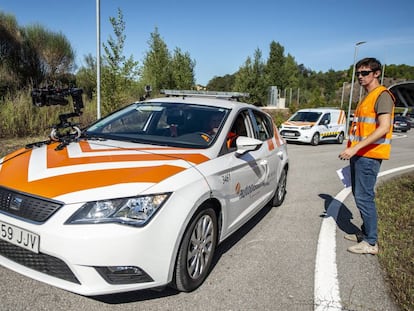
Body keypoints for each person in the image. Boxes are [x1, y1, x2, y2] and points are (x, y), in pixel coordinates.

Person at [338, 57, 395, 255]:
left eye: (365, 73)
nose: (360, 77)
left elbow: (384, 127)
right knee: (359, 195)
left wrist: (355, 149)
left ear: (376, 73)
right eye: (358, 74)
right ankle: (364, 233)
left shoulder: (382, 95)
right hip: (360, 154)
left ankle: (371, 242)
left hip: (369, 155)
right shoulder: (367, 96)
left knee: (364, 197)